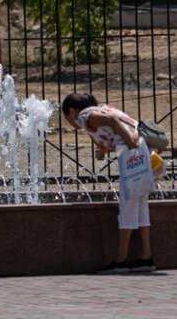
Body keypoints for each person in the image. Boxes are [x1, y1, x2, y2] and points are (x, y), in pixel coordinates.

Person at [62, 93, 157, 274]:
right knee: (140, 203)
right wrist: (103, 151)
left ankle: (121, 260)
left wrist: (130, 144)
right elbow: (106, 142)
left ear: (72, 112)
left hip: (131, 151)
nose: (69, 121)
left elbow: (113, 121)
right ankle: (146, 257)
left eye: (67, 117)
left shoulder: (85, 115)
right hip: (141, 147)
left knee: (128, 204)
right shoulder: (98, 110)